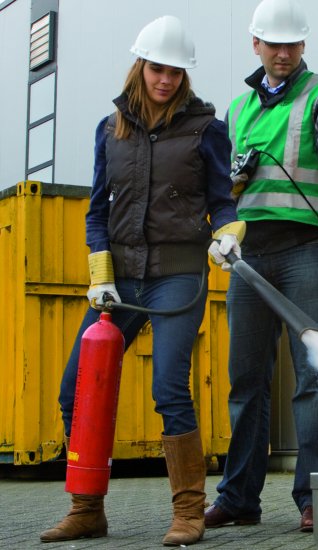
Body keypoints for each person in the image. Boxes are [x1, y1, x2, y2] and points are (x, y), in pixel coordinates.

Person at [39, 15, 242, 547]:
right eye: (157, 68)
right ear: (140, 66)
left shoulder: (205, 129)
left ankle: (189, 513)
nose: (165, 79)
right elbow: (97, 212)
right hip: (121, 280)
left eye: (175, 71)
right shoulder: (111, 130)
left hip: (177, 276)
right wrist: (100, 274)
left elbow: (222, 201)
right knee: (76, 390)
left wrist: (227, 233)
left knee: (168, 385)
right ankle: (87, 508)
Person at [204, 0, 318, 534]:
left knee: (314, 375)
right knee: (245, 379)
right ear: (255, 44)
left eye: (291, 44)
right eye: (272, 44)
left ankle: (316, 497)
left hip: (309, 247)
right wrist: (219, 221)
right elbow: (223, 178)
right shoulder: (237, 108)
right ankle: (238, 497)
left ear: (303, 46)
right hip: (250, 256)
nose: (281, 52)